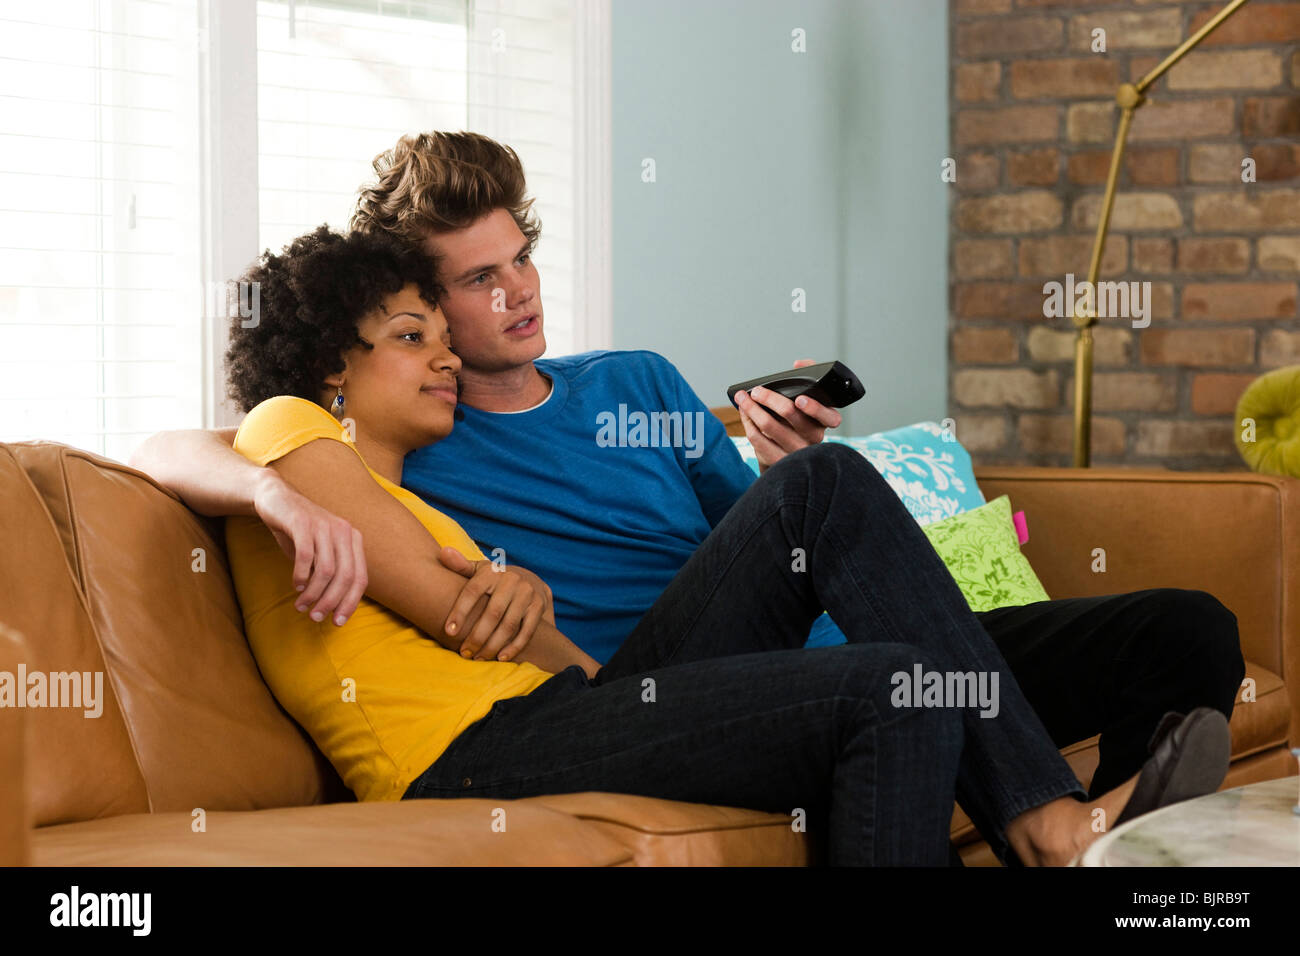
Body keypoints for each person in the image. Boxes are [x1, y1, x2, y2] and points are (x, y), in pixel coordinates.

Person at [130, 130, 1244, 848]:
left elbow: (776, 543)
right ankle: (1050, 819)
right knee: (855, 577)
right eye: (472, 284)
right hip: (634, 693)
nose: (517, 291)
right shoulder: (408, 439)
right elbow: (213, 444)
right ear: (408, 316)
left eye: (521, 256)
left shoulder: (634, 380)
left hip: (766, 651)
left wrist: (772, 462)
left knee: (1183, 627)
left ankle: (1113, 850)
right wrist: (282, 498)